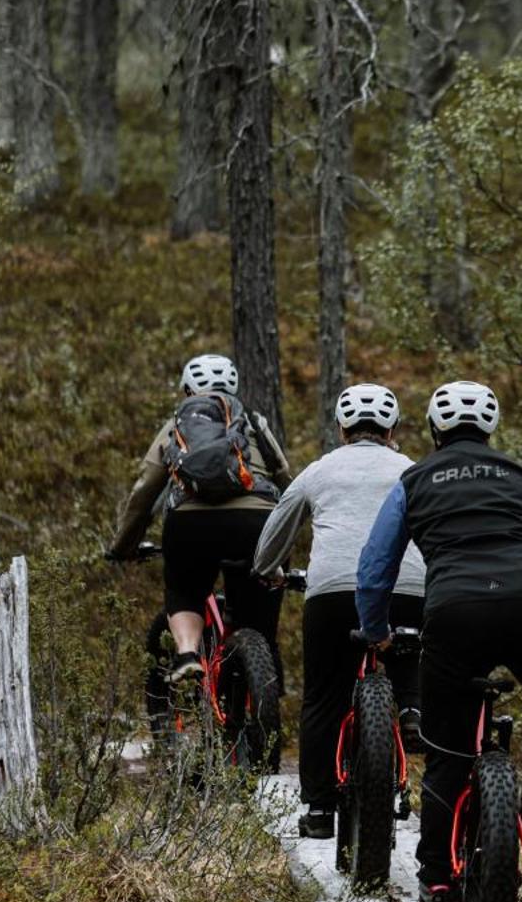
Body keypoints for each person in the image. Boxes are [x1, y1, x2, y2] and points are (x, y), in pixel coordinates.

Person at [355, 379, 522, 902]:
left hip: (454, 614)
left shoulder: (412, 480)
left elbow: (376, 564)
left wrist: (376, 630)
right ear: (490, 430)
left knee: (446, 757)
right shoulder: (520, 477)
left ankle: (438, 891)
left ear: (435, 431)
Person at [252, 384, 426, 840]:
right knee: (411, 657)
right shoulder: (413, 469)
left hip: (332, 591)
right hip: (406, 588)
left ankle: (320, 811)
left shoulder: (319, 470)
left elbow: (276, 529)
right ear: (393, 430)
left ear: (341, 428)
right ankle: (412, 707)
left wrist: (268, 570)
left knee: (324, 697)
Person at [106, 354, 291, 697]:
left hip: (192, 521)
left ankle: (188, 654)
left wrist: (123, 545)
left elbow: (145, 490)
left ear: (188, 390)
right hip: (256, 521)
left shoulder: (178, 422)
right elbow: (284, 477)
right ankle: (266, 664)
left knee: (185, 589)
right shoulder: (253, 420)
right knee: (262, 589)